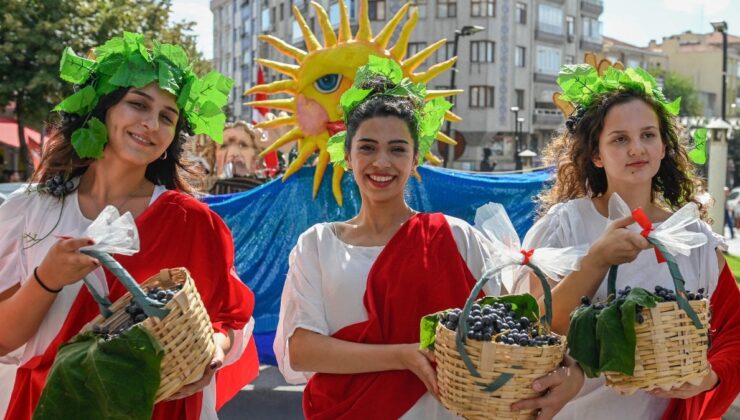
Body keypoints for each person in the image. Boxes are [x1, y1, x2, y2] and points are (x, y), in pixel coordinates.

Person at [273, 56, 584, 420]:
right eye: (368, 147)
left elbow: (516, 327)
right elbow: (303, 349)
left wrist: (573, 372)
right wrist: (402, 356)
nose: (382, 162)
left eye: (398, 149)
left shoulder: (454, 236)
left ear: (416, 158)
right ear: (347, 156)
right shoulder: (317, 244)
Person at [0, 33, 258, 419]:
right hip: (52, 406)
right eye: (138, 104)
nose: (151, 124)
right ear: (101, 109)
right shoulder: (29, 211)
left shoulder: (192, 222)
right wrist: (47, 278)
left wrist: (211, 354)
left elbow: (228, 322)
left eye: (167, 117)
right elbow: (5, 339)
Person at [517, 63, 740, 419]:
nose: (637, 148)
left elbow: (735, 331)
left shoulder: (693, 237)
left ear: (664, 146)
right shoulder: (566, 225)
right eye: (620, 139)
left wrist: (710, 377)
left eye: (648, 135)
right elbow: (533, 327)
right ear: (596, 155)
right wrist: (595, 262)